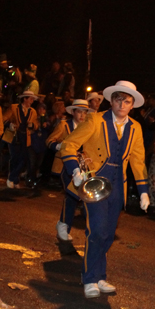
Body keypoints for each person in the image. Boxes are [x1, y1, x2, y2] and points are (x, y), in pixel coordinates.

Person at [60, 81, 150, 297]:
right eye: (118, 99)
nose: (122, 104)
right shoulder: (95, 119)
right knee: (97, 230)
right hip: (94, 181)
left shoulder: (135, 127)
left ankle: (100, 276)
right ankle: (89, 278)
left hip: (119, 183)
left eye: (126, 101)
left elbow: (138, 160)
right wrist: (75, 170)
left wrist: (144, 190)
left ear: (132, 105)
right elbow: (69, 144)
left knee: (108, 234)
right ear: (111, 101)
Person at [48, 98, 91, 241]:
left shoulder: (89, 127)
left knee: (84, 197)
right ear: (73, 112)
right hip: (65, 166)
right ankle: (64, 225)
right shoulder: (64, 125)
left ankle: (67, 225)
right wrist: (59, 147)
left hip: (84, 167)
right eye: (79, 112)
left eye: (85, 112)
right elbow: (49, 141)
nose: (82, 115)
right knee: (72, 195)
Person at [5, 89, 38, 189]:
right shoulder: (14, 107)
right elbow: (4, 118)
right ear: (25, 99)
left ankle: (12, 178)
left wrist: (32, 125)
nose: (32, 101)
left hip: (25, 137)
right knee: (15, 158)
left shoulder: (33, 111)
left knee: (23, 159)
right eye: (30, 99)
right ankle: (14, 180)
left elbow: (36, 124)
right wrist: (9, 124)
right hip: (14, 136)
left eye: (32, 99)